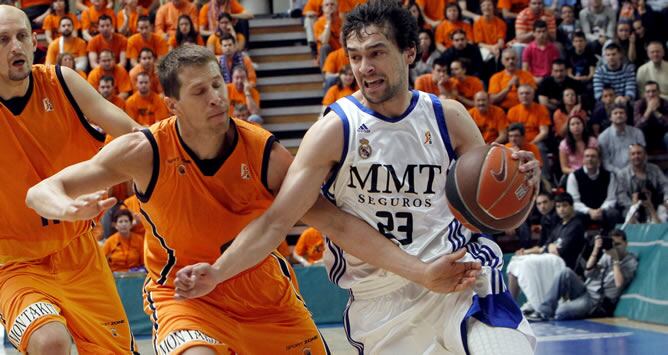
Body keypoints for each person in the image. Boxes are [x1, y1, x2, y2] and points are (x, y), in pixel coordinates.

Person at [26, 43, 482, 354]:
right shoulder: (144, 152)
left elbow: (337, 223)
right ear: (173, 106)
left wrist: (421, 272)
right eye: (200, 91)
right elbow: (44, 189)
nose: (217, 98)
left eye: (218, 84)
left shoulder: (264, 152)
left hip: (267, 298)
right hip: (185, 295)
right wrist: (63, 207)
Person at [175, 3, 540, 354]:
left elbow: (486, 204)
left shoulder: (450, 117)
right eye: (355, 56)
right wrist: (218, 272)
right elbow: (275, 222)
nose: (364, 67)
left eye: (377, 53)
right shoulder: (334, 130)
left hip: (461, 277)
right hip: (382, 299)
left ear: (410, 52)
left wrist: (522, 183)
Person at [0, 5, 140, 353]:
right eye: (2, 40)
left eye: (21, 37)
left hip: (80, 254)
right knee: (49, 342)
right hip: (16, 263)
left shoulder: (62, 83)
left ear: (35, 42)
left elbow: (133, 135)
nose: (15, 47)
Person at [528, 229, 638, 321]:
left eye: (618, 244)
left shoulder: (631, 262)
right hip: (585, 290)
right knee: (565, 272)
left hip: (595, 301)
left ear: (626, 243)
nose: (616, 247)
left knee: (560, 312)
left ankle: (555, 310)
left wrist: (615, 260)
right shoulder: (607, 255)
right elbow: (588, 273)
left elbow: (619, 284)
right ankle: (543, 312)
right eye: (613, 244)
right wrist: (596, 249)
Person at [566, 147, 620, 231]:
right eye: (587, 156)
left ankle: (612, 239)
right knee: (574, 215)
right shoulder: (574, 176)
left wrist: (600, 210)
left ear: (599, 159)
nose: (590, 159)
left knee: (613, 213)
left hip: (603, 211)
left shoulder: (609, 176)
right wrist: (589, 211)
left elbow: (611, 199)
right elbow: (574, 201)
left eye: (593, 156)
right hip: (583, 212)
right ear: (583, 159)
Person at [616, 144, 668, 223]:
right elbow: (621, 196)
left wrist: (666, 200)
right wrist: (634, 206)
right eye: (633, 154)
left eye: (639, 153)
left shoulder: (655, 169)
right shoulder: (622, 174)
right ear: (629, 157)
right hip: (631, 206)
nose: (636, 156)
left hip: (654, 204)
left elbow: (665, 186)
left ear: (645, 155)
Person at [598, 104, 646, 174]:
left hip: (636, 172)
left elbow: (643, 156)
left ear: (626, 116)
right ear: (610, 118)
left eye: (621, 113)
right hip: (614, 174)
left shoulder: (637, 133)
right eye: (615, 113)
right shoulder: (603, 137)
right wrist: (620, 173)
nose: (619, 115)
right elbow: (605, 162)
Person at [633, 81, 668, 151]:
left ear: (659, 92)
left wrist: (656, 112)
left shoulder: (665, 103)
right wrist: (648, 111)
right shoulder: (639, 104)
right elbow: (637, 127)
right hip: (645, 138)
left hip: (661, 137)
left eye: (654, 91)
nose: (651, 94)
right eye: (648, 92)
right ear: (644, 94)